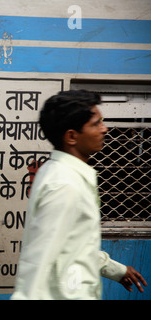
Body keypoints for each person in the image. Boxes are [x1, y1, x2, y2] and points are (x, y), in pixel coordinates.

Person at [11, 90, 147, 300]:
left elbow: (75, 245)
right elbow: (39, 260)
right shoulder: (65, 185)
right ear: (72, 136)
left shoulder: (62, 173)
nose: (105, 129)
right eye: (96, 124)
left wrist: (116, 270)